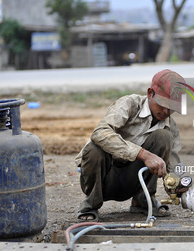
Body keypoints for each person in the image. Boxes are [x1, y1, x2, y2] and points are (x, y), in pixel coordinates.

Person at [75, 69, 185, 221]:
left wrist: (178, 184)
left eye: (171, 106)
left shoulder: (170, 127)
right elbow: (99, 132)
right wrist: (143, 154)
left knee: (163, 137)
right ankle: (90, 205)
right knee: (94, 149)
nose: (166, 111)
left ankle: (142, 201)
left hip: (132, 180)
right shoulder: (129, 104)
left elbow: (173, 165)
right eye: (163, 104)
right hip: (104, 178)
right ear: (150, 93)